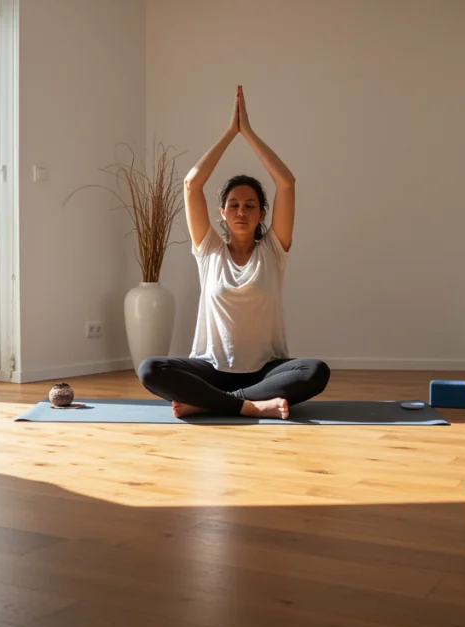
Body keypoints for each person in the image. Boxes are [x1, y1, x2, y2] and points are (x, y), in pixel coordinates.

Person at [137, 85, 330, 419]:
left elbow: (286, 183)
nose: (242, 211)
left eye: (251, 205)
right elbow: (191, 185)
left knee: (315, 371)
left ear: (261, 214)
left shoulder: (273, 249)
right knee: (150, 369)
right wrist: (230, 133)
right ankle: (251, 406)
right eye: (234, 205)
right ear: (222, 213)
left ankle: (215, 402)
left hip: (264, 371)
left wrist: (249, 134)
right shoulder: (209, 248)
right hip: (210, 368)